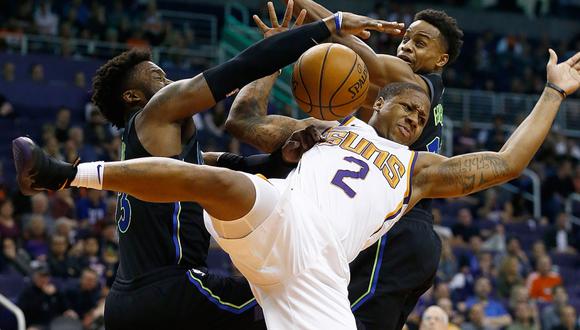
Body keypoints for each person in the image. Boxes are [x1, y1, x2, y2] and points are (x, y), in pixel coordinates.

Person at [14, 50, 579, 329]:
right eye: (407, 103)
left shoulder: (419, 171)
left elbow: (505, 163)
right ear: (375, 100)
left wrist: (553, 92)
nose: (415, 116)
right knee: (215, 181)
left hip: (319, 277)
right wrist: (276, 58)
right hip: (281, 220)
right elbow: (242, 120)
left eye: (423, 113)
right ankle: (66, 172)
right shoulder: (329, 129)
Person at [16, 3, 397, 329]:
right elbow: (237, 69)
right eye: (158, 76)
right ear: (133, 95)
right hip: (171, 290)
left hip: (125, 302)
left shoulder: (149, 151)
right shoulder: (157, 113)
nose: (170, 80)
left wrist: (281, 159)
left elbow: (230, 169)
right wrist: (327, 27)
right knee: (292, 294)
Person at [226, 2, 462, 328]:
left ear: (440, 61)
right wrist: (274, 57)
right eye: (406, 38)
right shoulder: (344, 127)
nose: (407, 46)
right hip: (369, 231)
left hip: (398, 226)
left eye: (420, 43)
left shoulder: (422, 86)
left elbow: (373, 66)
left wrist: (321, 21)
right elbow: (244, 123)